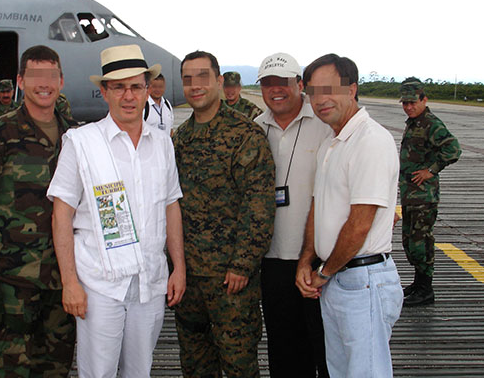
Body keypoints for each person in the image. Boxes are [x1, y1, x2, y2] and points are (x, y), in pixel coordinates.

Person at [47, 44, 186, 378]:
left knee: (139, 372)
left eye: (136, 86)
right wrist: (70, 283)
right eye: (118, 87)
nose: (128, 95)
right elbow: (61, 215)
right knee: (98, 374)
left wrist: (178, 267)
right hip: (100, 286)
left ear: (147, 89)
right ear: (104, 92)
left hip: (150, 282)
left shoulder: (162, 144)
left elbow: (171, 205)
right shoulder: (81, 142)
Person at [0, 45, 75, 376]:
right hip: (12, 277)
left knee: (57, 365)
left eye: (51, 76)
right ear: (20, 81)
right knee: (13, 365)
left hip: (64, 277)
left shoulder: (75, 136)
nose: (44, 84)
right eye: (35, 76)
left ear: (61, 81)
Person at [296, 54, 403, 377]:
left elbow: (359, 225)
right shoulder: (334, 141)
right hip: (338, 279)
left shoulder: (370, 141)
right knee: (342, 371)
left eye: (329, 89)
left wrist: (324, 273)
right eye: (313, 92)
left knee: (366, 372)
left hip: (363, 280)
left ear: (353, 89)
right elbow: (320, 206)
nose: (320, 99)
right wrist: (306, 260)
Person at [173, 51, 276, 377]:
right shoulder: (181, 138)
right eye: (188, 79)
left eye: (203, 77)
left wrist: (242, 264)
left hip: (231, 281)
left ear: (219, 81)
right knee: (195, 365)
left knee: (238, 365)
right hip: (188, 280)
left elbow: (258, 206)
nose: (195, 86)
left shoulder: (245, 136)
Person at [254, 52, 331, 377]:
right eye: (268, 84)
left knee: (326, 346)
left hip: (319, 259)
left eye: (283, 82)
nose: (276, 90)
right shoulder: (256, 129)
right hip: (272, 259)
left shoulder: (325, 124)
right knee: (284, 348)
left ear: (299, 84)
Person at [398, 77, 461, 306]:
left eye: (413, 102)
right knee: (410, 241)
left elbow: (453, 149)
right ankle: (418, 283)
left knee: (420, 242)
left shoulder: (431, 123)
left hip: (424, 196)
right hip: (411, 195)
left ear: (424, 99)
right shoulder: (414, 122)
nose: (408, 107)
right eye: (405, 103)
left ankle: (426, 290)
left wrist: (431, 170)